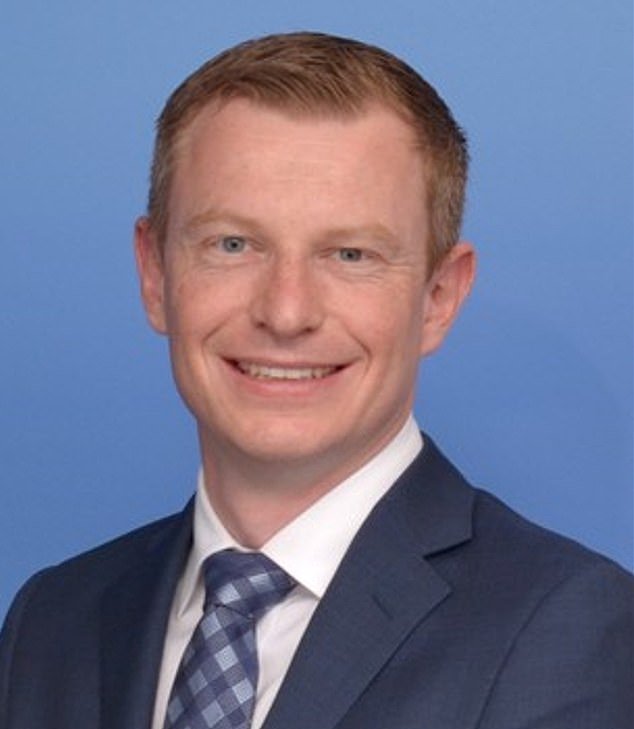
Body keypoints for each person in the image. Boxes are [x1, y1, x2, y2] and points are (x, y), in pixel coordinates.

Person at [0, 31, 631, 729]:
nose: (286, 311)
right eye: (233, 244)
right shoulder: (50, 621)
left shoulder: (564, 631)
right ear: (154, 275)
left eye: (350, 254)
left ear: (439, 297)